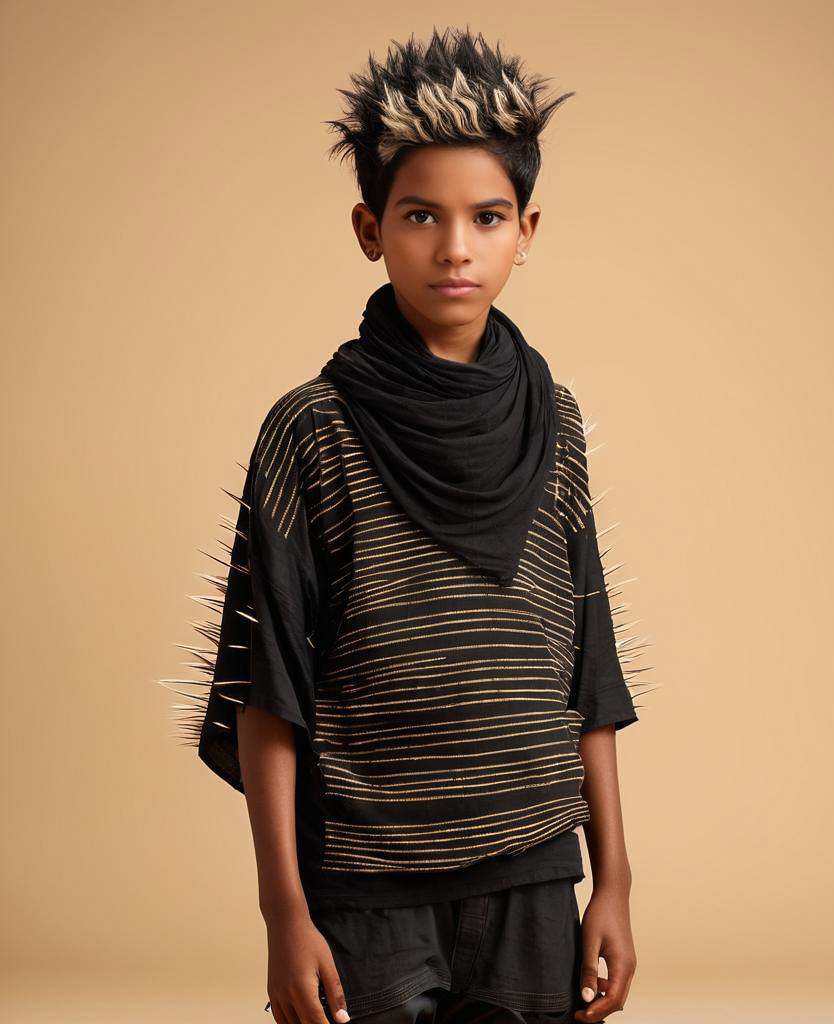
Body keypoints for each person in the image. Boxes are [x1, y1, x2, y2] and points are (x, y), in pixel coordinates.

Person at [165, 25, 654, 1024]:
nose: (456, 246)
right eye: (422, 214)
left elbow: (588, 675)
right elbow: (271, 695)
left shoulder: (554, 425)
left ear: (527, 228)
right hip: (366, 881)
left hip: (532, 872)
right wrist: (283, 915)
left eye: (487, 215)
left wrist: (614, 882)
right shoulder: (311, 429)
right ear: (369, 226)